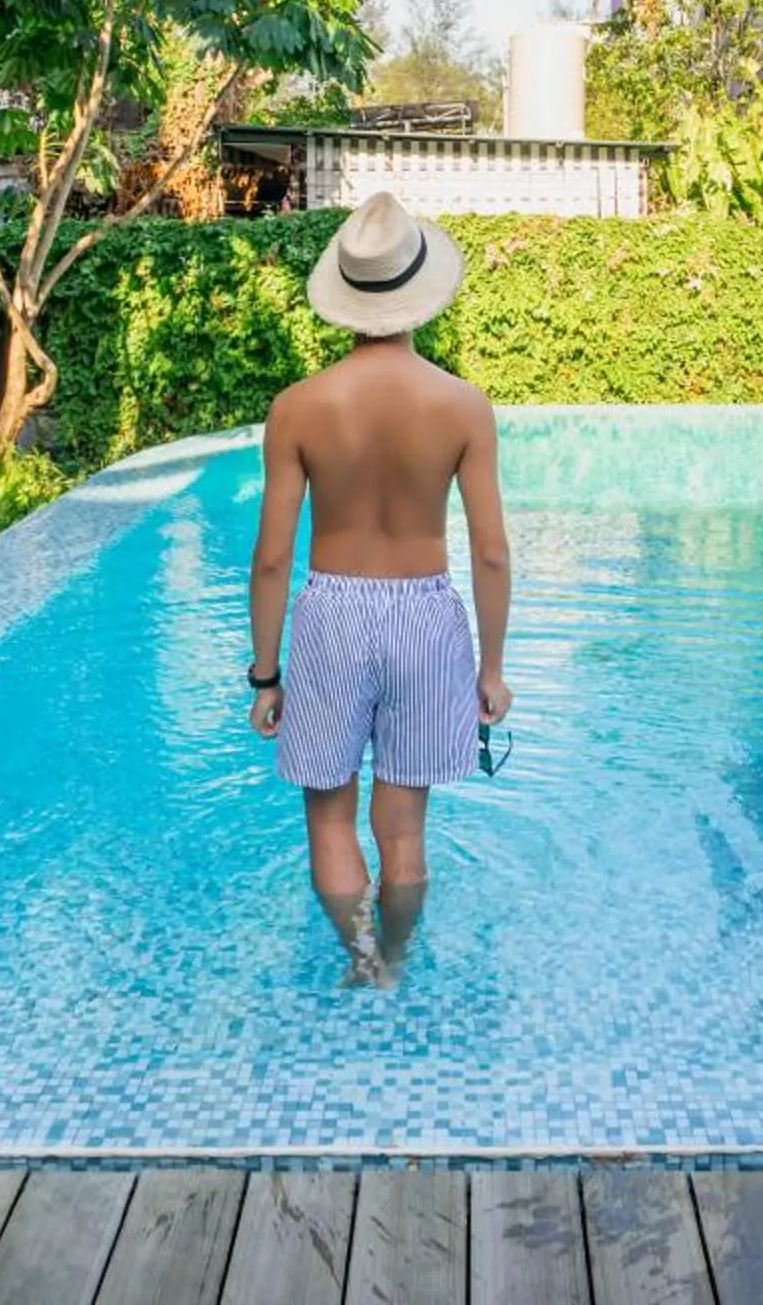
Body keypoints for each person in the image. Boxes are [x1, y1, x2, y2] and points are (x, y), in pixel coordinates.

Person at [246, 191, 513, 985]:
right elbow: (491, 553)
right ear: (420, 292)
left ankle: (359, 955)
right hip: (424, 616)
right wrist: (491, 669)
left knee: (329, 818)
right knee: (403, 829)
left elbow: (269, 557)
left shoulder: (298, 408)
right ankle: (394, 958)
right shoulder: (464, 406)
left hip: (330, 613)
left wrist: (266, 674)